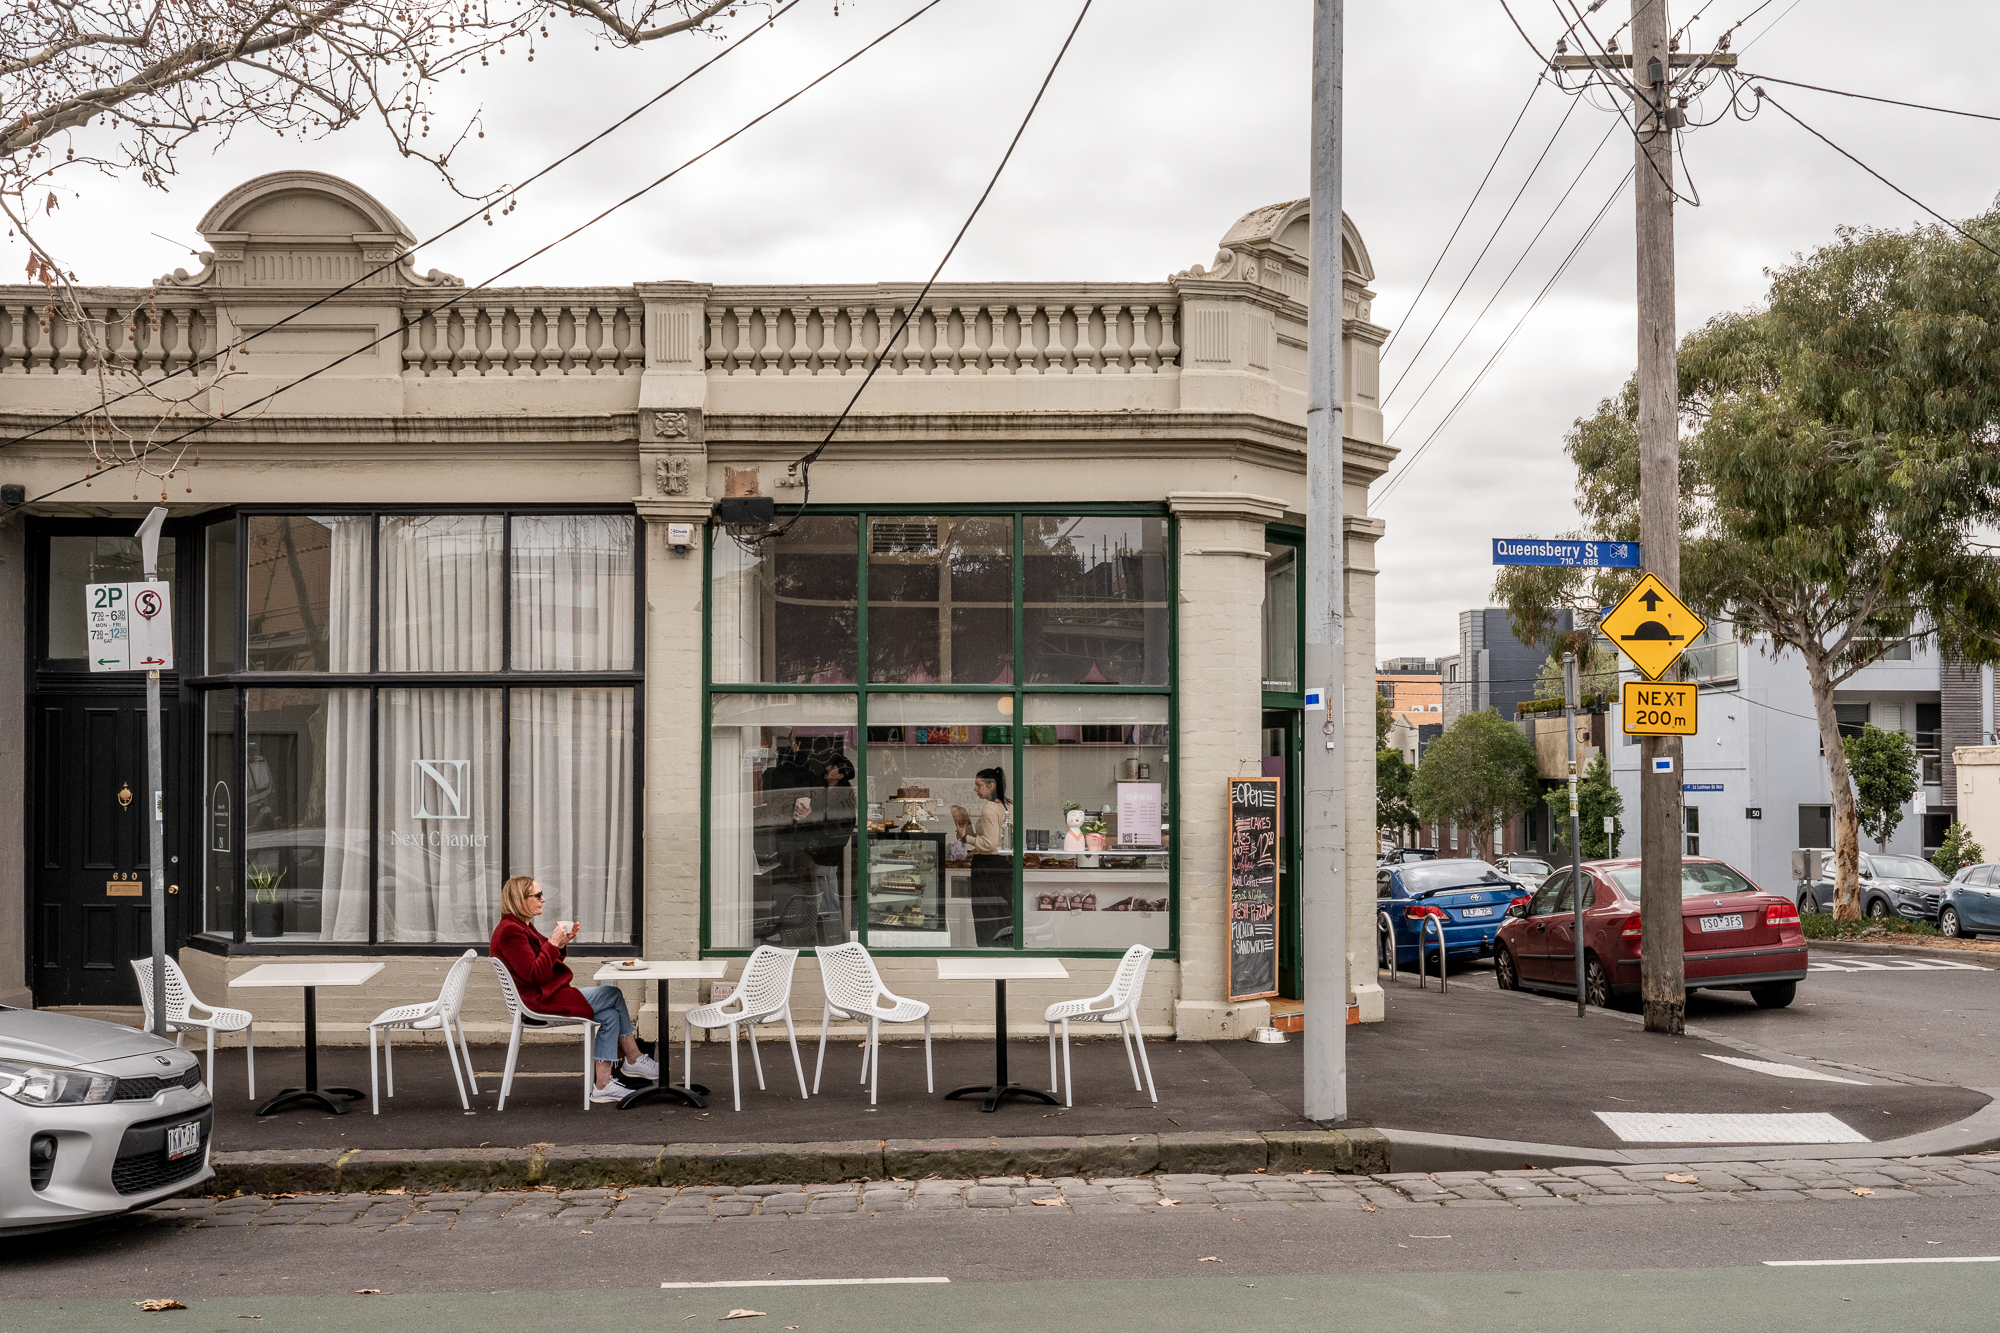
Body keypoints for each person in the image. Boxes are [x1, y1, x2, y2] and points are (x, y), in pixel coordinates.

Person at [490, 876, 658, 1103]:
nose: (543, 899)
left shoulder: (522, 925)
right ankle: (634, 1058)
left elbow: (544, 960)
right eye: (538, 895)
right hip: (538, 1001)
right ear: (521, 899)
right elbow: (534, 974)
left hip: (547, 995)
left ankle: (603, 1085)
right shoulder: (511, 931)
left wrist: (560, 943)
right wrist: (552, 943)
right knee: (613, 994)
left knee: (609, 1015)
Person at [969, 767, 1013, 947]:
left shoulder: (989, 808)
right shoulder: (1009, 805)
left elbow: (989, 844)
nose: (975, 789)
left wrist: (967, 838)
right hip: (1007, 864)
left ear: (991, 785)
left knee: (985, 915)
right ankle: (1005, 950)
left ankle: (988, 952)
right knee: (1005, 913)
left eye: (979, 785)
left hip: (986, 866)